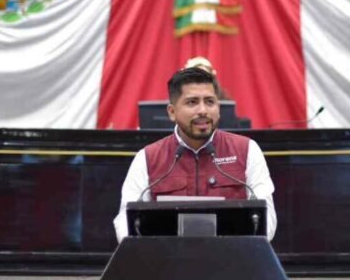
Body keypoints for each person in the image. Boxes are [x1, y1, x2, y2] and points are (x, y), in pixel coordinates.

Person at [113, 68, 276, 242]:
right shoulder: (147, 158)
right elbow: (125, 219)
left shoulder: (248, 150)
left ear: (219, 108)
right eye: (192, 102)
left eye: (210, 102)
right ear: (172, 112)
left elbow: (267, 218)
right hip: (167, 261)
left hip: (232, 260)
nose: (203, 110)